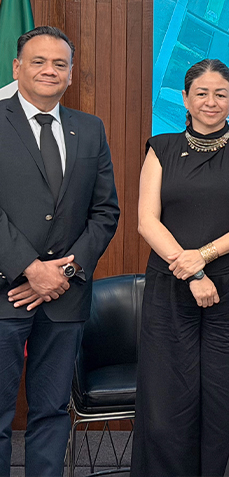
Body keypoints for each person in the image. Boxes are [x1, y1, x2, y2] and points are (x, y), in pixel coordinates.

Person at [130, 59, 229, 476]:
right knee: (167, 398)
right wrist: (191, 271)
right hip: (170, 285)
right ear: (185, 99)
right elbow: (146, 221)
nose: (211, 102)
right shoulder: (161, 148)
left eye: (221, 94)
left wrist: (203, 256)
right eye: (202, 93)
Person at [0, 26, 119, 476]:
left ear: (71, 74)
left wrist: (62, 274)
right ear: (17, 68)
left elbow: (105, 210)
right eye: (38, 61)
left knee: (51, 412)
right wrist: (30, 268)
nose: (50, 70)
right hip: (5, 294)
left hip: (65, 299)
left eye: (60, 64)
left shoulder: (89, 128)